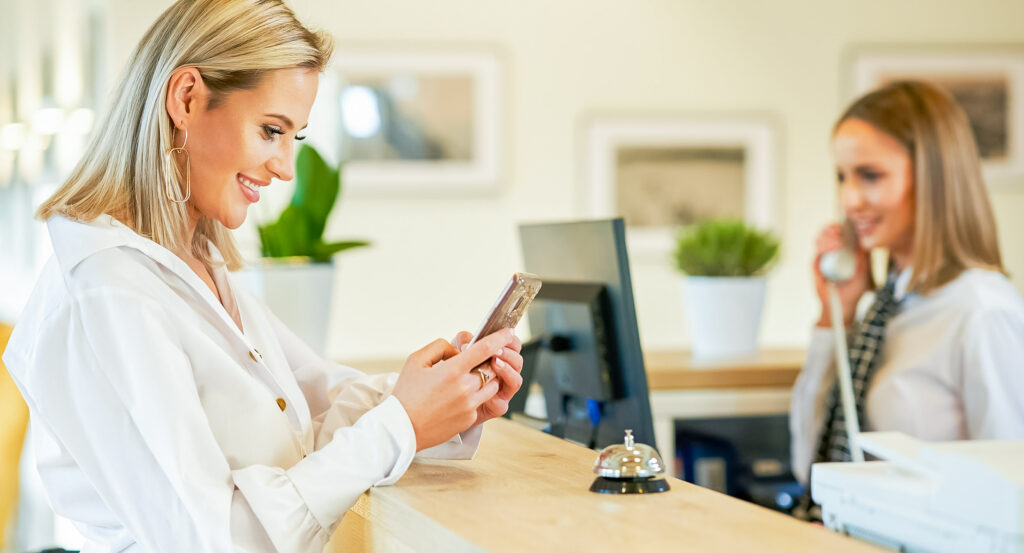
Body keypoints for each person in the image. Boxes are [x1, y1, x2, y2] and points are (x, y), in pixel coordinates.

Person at [1, 1, 524, 551]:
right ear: (185, 98)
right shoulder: (108, 292)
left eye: (292, 137)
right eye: (271, 130)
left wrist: (444, 398)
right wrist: (401, 423)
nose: (285, 167)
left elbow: (308, 423)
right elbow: (213, 539)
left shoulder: (195, 266)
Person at [790, 80, 1024, 508]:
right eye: (842, 177)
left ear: (934, 178)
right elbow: (808, 463)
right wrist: (833, 319)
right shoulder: (886, 307)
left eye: (870, 176)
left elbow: (1013, 494)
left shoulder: (982, 311)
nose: (850, 199)